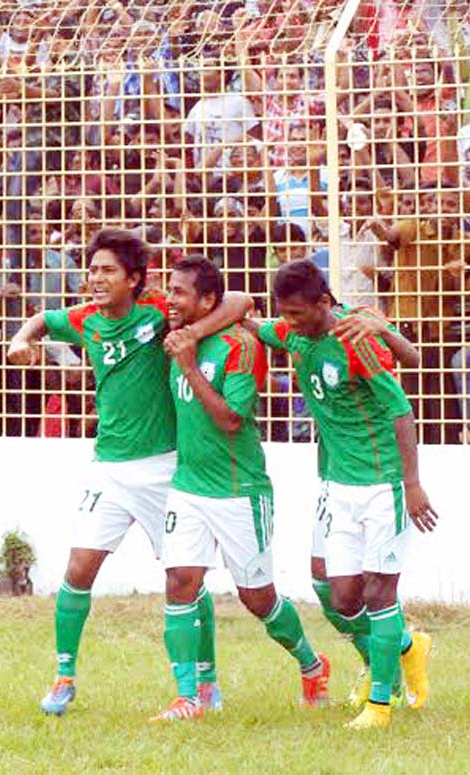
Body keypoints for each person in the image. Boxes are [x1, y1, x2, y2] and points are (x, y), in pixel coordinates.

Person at [7, 229, 251, 717]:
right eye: (92, 270)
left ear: (135, 279)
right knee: (78, 569)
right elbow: (41, 318)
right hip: (109, 469)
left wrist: (193, 333)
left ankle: (204, 682)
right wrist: (21, 339)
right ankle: (64, 677)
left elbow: (241, 300)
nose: (95, 279)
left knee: (185, 580)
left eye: (107, 271)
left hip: (163, 469)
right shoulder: (85, 320)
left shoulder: (161, 310)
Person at [246, 259, 436, 731]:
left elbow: (401, 408)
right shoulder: (295, 334)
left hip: (382, 483)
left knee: (379, 592)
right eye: (283, 315)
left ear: (324, 303)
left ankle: (379, 703)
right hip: (336, 484)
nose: (289, 324)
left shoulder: (356, 339)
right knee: (341, 596)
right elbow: (249, 322)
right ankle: (409, 648)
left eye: (296, 314)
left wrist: (411, 484)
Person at [153, 256, 329, 722]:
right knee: (180, 583)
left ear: (207, 301)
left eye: (180, 293)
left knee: (258, 598)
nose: (170, 300)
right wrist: (186, 342)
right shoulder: (176, 334)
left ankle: (312, 664)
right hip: (188, 486)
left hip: (238, 489)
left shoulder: (240, 346)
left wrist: (190, 366)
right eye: (168, 291)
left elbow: (232, 420)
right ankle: (190, 695)